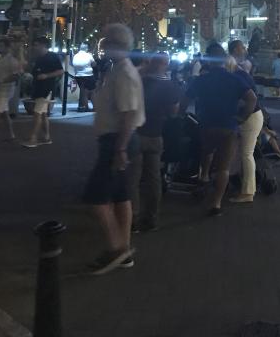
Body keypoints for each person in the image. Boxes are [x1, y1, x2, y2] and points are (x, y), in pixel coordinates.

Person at [84, 24, 145, 275]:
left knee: (96, 198)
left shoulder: (124, 73)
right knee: (121, 196)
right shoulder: (117, 70)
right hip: (119, 140)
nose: (104, 47)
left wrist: (120, 149)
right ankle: (124, 249)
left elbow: (128, 114)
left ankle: (116, 247)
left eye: (107, 42)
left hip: (117, 141)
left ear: (117, 45)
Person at [182, 42, 256, 215]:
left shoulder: (201, 80)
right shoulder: (234, 79)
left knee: (206, 152)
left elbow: (184, 100)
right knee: (224, 167)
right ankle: (216, 202)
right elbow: (252, 99)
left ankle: (204, 177)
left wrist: (180, 114)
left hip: (206, 124)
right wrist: (242, 117)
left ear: (208, 61)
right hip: (228, 125)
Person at [129, 52, 180, 233]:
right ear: (166, 65)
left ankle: (132, 219)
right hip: (155, 134)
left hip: (136, 132)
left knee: (133, 179)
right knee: (153, 179)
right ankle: (151, 219)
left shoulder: (138, 81)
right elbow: (173, 112)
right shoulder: (170, 86)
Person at [227, 39, 264, 204]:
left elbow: (251, 98)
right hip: (250, 115)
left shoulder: (238, 75)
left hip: (250, 116)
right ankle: (236, 183)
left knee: (246, 154)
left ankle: (248, 192)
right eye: (242, 47)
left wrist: (241, 117)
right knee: (237, 153)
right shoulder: (241, 73)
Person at [23, 36, 64, 148]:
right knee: (43, 114)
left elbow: (61, 71)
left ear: (43, 45)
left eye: (36, 45)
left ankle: (33, 138)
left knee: (37, 113)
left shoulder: (52, 56)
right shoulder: (38, 58)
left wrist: (46, 75)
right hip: (39, 89)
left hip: (46, 89)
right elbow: (34, 73)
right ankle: (46, 137)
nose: (34, 47)